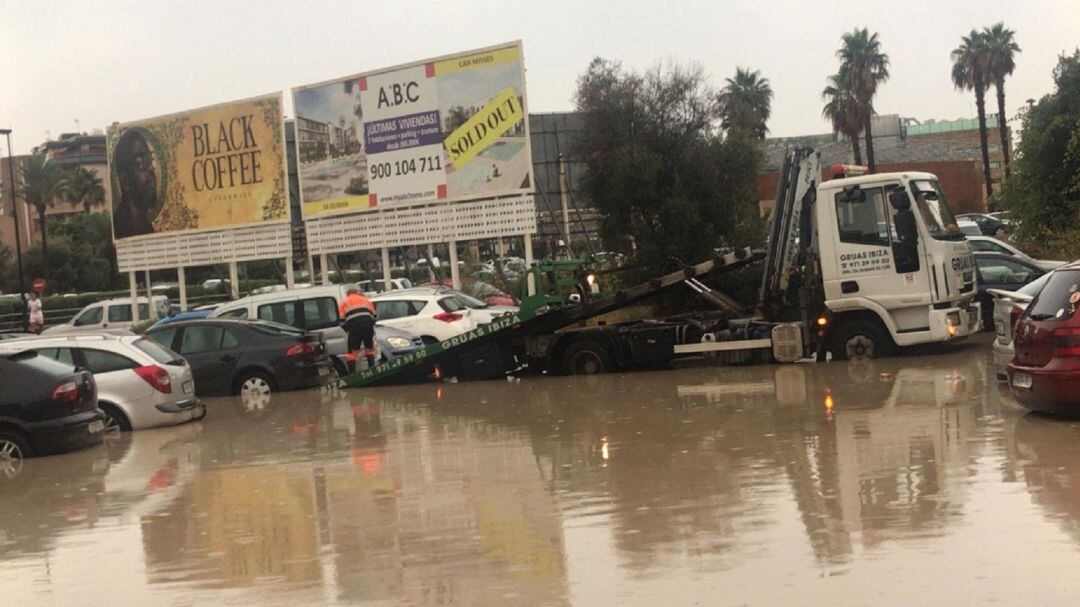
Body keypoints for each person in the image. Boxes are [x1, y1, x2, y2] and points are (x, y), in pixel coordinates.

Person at [339, 288, 377, 369]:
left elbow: (341, 320)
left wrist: (347, 330)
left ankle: (352, 371)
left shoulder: (344, 302)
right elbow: (374, 316)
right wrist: (371, 325)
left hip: (354, 328)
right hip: (367, 326)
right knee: (369, 348)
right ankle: (372, 367)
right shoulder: (365, 300)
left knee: (352, 351)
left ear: (347, 294)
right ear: (357, 293)